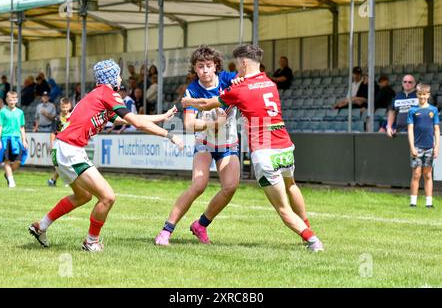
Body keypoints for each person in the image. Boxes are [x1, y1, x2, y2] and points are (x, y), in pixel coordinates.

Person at [28, 59, 183, 252]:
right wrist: (169, 135)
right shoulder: (108, 94)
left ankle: (40, 226)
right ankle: (91, 242)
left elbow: (127, 120)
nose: (120, 78)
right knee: (108, 197)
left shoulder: (98, 95)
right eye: (117, 75)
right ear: (110, 77)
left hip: (63, 148)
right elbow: (137, 122)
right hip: (70, 149)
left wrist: (162, 116)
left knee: (83, 196)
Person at [182, 45, 323, 252]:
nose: (236, 70)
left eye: (237, 65)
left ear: (244, 63)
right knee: (291, 185)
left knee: (282, 209)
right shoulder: (270, 83)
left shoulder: (240, 89)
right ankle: (306, 226)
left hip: (264, 151)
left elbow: (207, 104)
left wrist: (189, 101)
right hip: (284, 145)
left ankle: (312, 240)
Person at [154, 45, 240, 246]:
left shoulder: (228, 78)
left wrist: (240, 79)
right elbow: (189, 124)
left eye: (209, 66)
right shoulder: (192, 89)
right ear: (195, 69)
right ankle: (166, 230)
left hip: (228, 144)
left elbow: (246, 78)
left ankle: (201, 225)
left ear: (216, 66)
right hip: (204, 142)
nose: (205, 70)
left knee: (230, 187)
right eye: (200, 67)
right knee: (198, 185)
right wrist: (213, 125)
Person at [407, 84, 439, 209]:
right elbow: (410, 130)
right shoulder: (412, 111)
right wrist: (412, 147)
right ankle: (413, 202)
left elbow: (436, 130)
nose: (422, 97)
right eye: (420, 94)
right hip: (417, 147)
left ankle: (429, 203)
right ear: (417, 95)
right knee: (416, 174)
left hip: (429, 148)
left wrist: (436, 147)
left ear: (428, 95)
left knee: (428, 175)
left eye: (424, 94)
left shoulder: (433, 110)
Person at [0, 91, 28, 188]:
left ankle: (7, 174)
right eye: (10, 99)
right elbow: (0, 126)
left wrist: (24, 140)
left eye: (14, 99)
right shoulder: (2, 112)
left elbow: (22, 127)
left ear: (17, 100)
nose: (12, 101)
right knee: (7, 160)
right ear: (6, 100)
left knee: (18, 161)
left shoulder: (20, 112)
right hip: (5, 139)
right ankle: (11, 180)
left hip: (17, 139)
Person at [47, 97, 72, 187]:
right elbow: (53, 132)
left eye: (66, 107)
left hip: (70, 144)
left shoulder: (73, 117)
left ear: (70, 106)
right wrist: (52, 143)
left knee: (69, 163)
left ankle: (53, 180)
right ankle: (54, 180)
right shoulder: (57, 119)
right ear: (60, 107)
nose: (65, 109)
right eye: (63, 107)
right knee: (60, 165)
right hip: (59, 143)